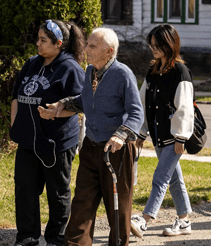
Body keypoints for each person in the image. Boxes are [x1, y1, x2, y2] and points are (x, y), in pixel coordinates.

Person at [39, 27, 144, 246]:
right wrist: (60, 106)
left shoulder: (122, 73)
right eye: (87, 44)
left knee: (117, 206)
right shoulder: (90, 71)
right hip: (91, 146)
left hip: (116, 149)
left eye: (92, 46)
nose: (86, 49)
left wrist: (120, 136)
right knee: (82, 203)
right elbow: (85, 100)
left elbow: (136, 112)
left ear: (109, 51)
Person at [10, 20, 85, 246]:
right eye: (38, 39)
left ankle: (56, 238)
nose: (38, 44)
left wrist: (55, 113)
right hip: (27, 143)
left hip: (56, 144)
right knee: (25, 192)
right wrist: (16, 128)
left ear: (58, 44)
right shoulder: (31, 64)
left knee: (57, 193)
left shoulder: (70, 68)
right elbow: (16, 97)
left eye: (43, 40)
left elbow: (80, 104)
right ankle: (27, 238)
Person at [130, 24, 194, 238]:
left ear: (170, 44)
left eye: (158, 45)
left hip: (173, 137)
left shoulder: (180, 72)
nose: (153, 49)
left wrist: (181, 137)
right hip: (158, 136)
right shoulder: (153, 70)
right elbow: (144, 102)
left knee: (160, 178)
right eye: (152, 45)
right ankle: (184, 220)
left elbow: (184, 107)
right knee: (173, 179)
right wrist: (141, 132)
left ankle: (144, 220)